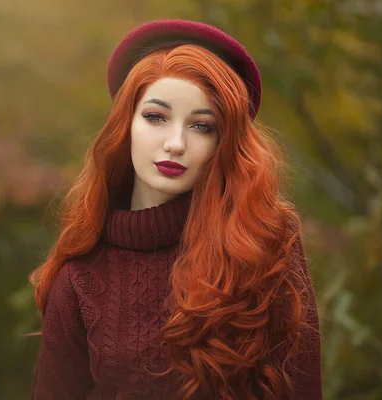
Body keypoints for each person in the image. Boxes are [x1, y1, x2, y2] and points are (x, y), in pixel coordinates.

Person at [27, 19, 322, 400]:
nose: (175, 143)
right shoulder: (81, 278)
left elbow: (303, 389)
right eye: (155, 117)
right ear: (125, 125)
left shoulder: (265, 244)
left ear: (223, 144)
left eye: (202, 126)